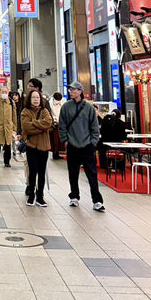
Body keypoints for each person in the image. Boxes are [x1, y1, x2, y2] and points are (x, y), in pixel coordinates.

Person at [58, 82, 105, 211]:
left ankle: (97, 200)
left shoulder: (89, 108)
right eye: (70, 90)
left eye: (73, 89)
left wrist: (93, 142)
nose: (71, 92)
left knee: (92, 173)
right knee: (73, 173)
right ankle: (74, 196)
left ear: (80, 91)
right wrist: (65, 140)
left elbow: (95, 127)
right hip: (72, 145)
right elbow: (62, 125)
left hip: (87, 145)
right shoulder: (66, 107)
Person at [21, 90, 53, 206]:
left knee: (41, 172)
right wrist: (41, 126)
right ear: (29, 99)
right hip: (31, 146)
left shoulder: (45, 111)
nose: (36, 99)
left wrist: (33, 122)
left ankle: (40, 197)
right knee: (32, 171)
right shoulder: (25, 111)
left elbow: (48, 123)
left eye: (38, 97)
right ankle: (31, 196)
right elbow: (26, 128)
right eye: (33, 97)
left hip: (44, 146)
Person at [49, 92, 64, 159]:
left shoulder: (61, 102)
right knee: (54, 140)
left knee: (59, 140)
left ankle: (57, 153)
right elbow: (50, 113)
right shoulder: (50, 103)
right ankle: (55, 153)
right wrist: (54, 120)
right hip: (53, 124)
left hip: (60, 123)